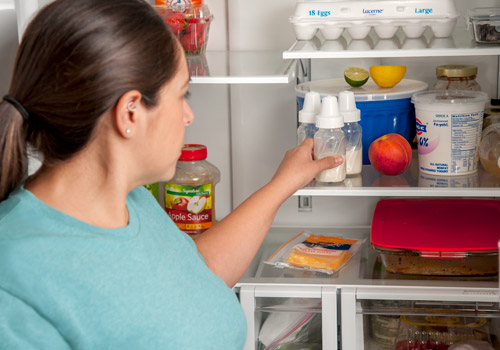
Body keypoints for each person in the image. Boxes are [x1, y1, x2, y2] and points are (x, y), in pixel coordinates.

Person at [0, 0, 343, 348]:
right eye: (182, 95)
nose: (189, 115)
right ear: (130, 113)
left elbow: (193, 277)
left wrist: (284, 183)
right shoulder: (14, 281)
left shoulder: (130, 200)